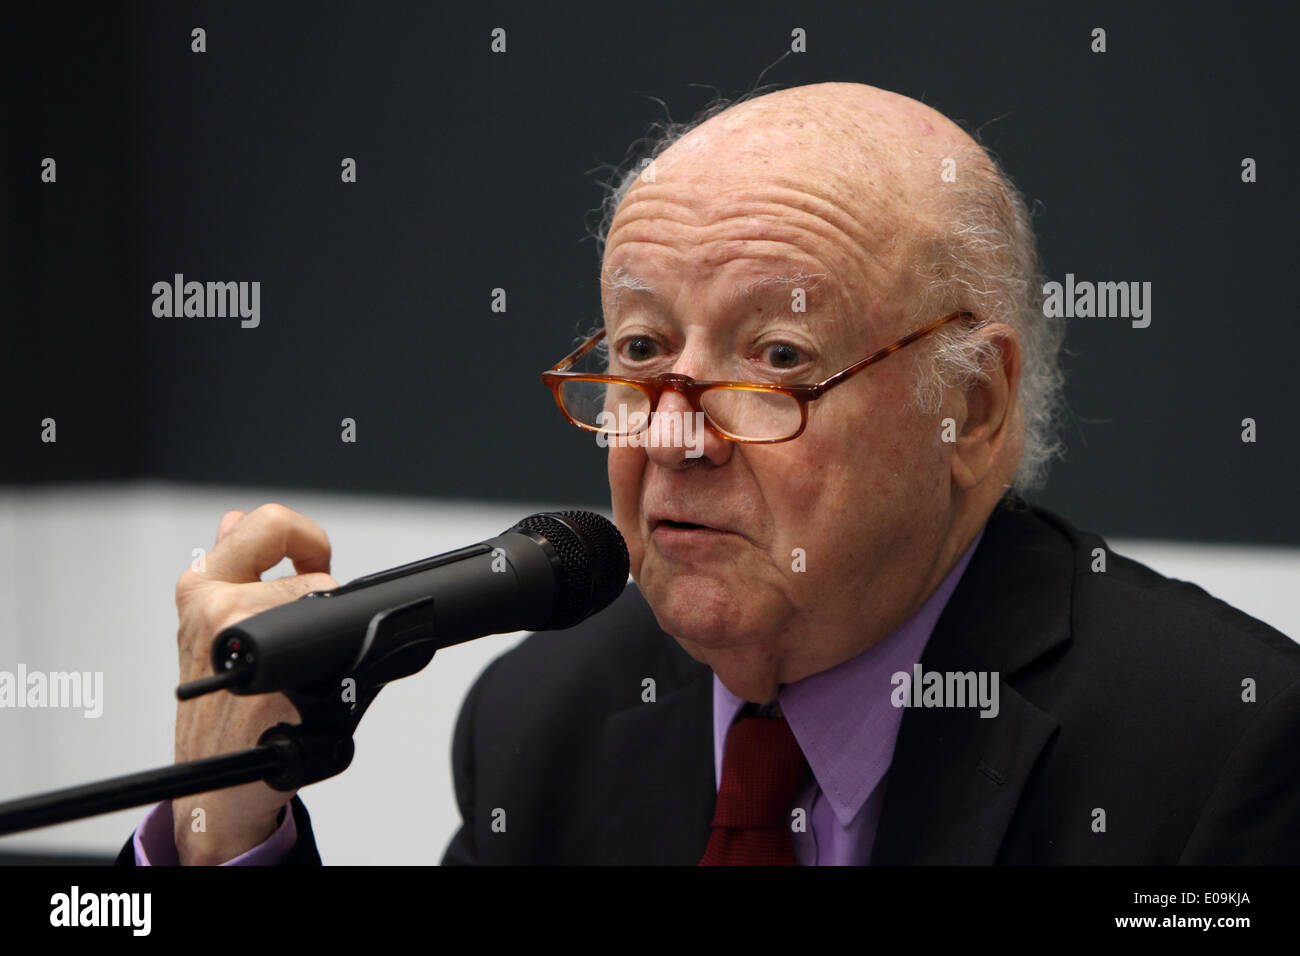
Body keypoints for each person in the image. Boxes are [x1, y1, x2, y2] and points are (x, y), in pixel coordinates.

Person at [118, 82, 1300, 866]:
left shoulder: (1221, 752)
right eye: (638, 351)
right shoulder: (548, 722)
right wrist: (224, 826)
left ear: (971, 407)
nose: (671, 433)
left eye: (774, 358)